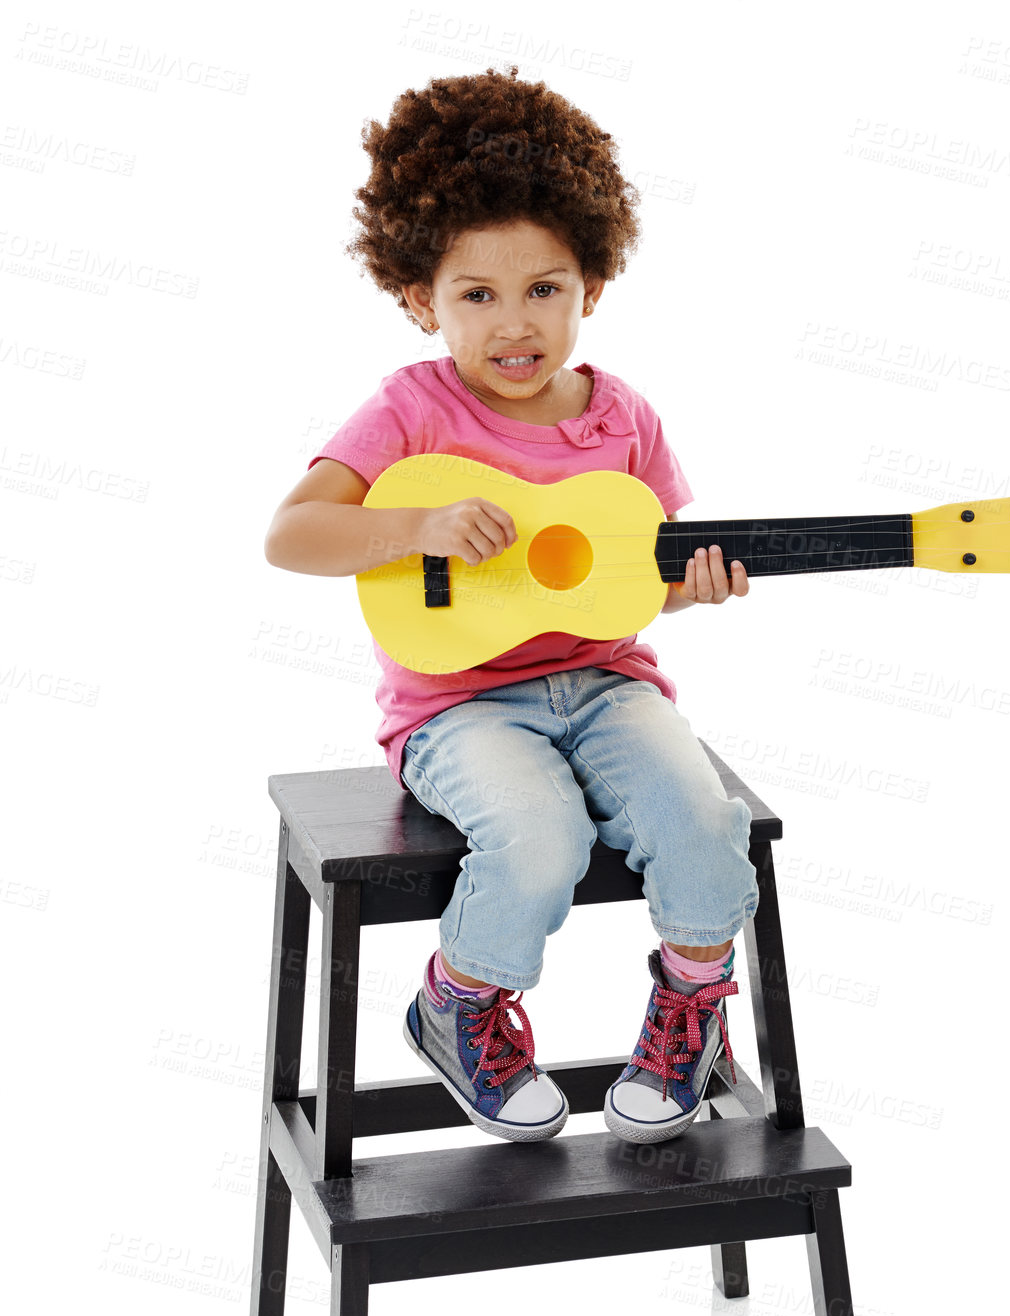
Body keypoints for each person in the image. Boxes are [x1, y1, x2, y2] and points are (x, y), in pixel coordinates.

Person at [265, 65, 758, 1145]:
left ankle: (690, 1009)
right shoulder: (410, 408)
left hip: (608, 686)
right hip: (458, 706)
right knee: (540, 839)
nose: (515, 323)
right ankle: (459, 1003)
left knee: (704, 825)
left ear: (593, 282)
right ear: (417, 297)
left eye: (546, 288)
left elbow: (639, 576)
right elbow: (292, 534)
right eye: (475, 296)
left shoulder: (623, 418)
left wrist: (696, 588)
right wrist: (415, 528)